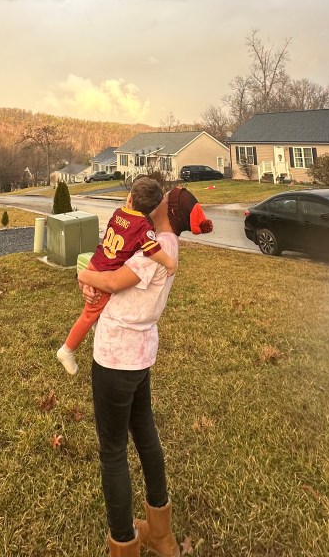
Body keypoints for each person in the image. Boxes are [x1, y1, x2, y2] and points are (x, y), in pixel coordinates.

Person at [77, 181, 213, 557]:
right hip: (139, 355)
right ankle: (160, 533)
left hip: (116, 356)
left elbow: (112, 279)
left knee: (113, 451)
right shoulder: (164, 243)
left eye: (164, 198)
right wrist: (94, 283)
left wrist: (84, 276)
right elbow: (113, 266)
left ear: (167, 211)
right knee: (145, 434)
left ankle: (124, 543)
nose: (157, 200)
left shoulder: (153, 250)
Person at [56, 176, 177, 376]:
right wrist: (169, 262)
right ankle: (67, 350)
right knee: (89, 314)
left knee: (95, 306)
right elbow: (152, 250)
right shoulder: (143, 228)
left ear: (129, 198)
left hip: (97, 261)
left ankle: (89, 330)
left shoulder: (118, 213)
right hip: (106, 271)